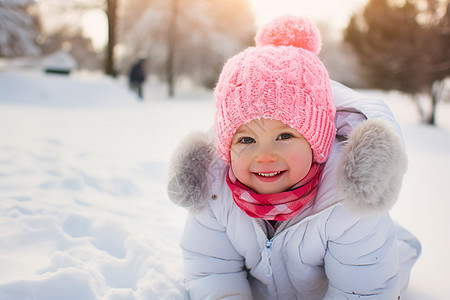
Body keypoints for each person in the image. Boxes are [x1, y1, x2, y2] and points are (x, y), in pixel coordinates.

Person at [167, 15, 421, 299]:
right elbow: (211, 269)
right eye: (246, 140)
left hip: (360, 269)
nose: (264, 156)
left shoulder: (345, 204)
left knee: (390, 263)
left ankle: (402, 245)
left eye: (284, 136)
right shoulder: (215, 192)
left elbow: (362, 291)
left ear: (318, 143)